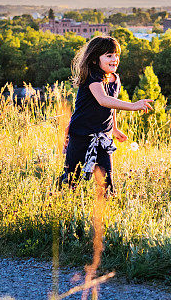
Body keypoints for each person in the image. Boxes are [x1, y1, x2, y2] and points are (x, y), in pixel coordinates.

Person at [59, 36, 153, 193]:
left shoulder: (115, 79)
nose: (115, 59)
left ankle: (107, 210)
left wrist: (114, 129)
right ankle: (57, 202)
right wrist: (133, 106)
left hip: (103, 138)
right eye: (109, 55)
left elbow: (111, 104)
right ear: (96, 59)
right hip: (81, 135)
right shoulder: (93, 77)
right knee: (71, 180)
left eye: (116, 55)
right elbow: (103, 100)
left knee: (107, 182)